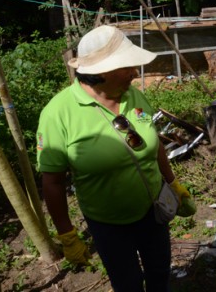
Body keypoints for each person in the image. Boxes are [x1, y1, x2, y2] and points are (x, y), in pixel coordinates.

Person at [37, 25, 194, 291]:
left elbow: (153, 145)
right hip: (108, 223)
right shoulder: (58, 113)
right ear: (101, 72)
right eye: (128, 66)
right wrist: (67, 234)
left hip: (152, 210)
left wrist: (173, 184)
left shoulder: (134, 96)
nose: (135, 73)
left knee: (159, 273)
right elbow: (52, 182)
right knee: (128, 284)